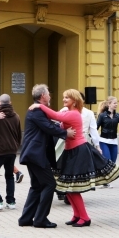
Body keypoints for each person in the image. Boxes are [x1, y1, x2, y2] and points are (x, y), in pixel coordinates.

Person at [30, 89, 119, 227]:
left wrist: (39, 106)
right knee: (67, 187)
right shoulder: (67, 112)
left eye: (67, 97)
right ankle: (77, 215)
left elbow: (55, 115)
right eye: (63, 97)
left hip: (78, 151)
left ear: (74, 100)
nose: (64, 99)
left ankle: (85, 217)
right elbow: (56, 120)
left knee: (72, 187)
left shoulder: (74, 114)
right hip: (70, 151)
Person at [18, 84, 73, 228]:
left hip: (33, 154)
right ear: (43, 96)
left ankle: (26, 219)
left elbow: (50, 122)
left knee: (36, 186)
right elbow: (48, 127)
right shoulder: (36, 111)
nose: (50, 96)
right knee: (49, 184)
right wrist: (65, 133)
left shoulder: (38, 110)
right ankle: (40, 219)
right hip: (36, 155)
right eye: (48, 93)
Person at [96, 96, 119, 169]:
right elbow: (95, 128)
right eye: (114, 103)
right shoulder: (102, 115)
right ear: (109, 104)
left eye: (117, 103)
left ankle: (110, 178)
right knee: (107, 161)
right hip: (104, 141)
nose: (116, 105)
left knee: (113, 163)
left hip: (114, 141)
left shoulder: (117, 116)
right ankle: (105, 178)